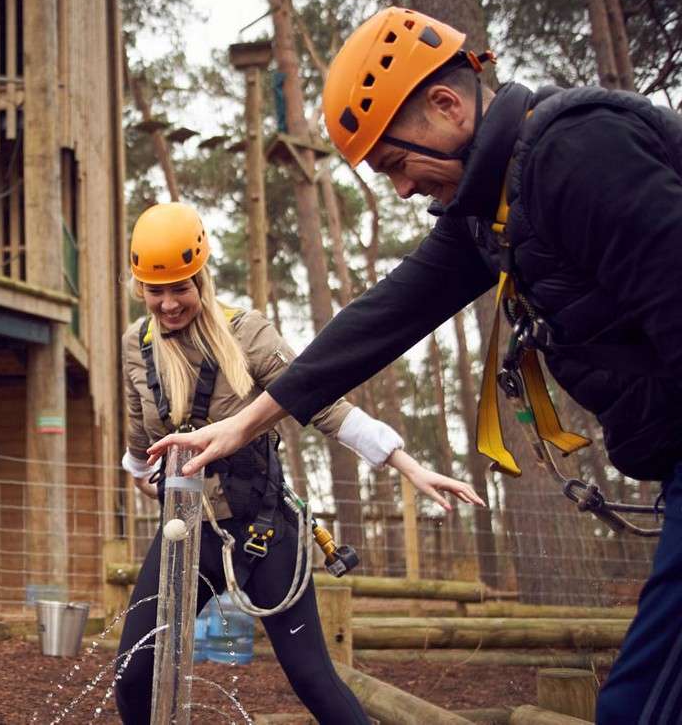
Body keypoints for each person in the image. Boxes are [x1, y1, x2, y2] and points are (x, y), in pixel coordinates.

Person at [148, 8, 682, 723]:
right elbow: (383, 317)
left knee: (641, 703)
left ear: (446, 104)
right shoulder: (491, 206)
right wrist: (246, 424)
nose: (399, 190)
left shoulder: (575, 152)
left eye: (398, 164)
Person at [115, 202, 482, 724]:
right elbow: (139, 421)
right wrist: (137, 473)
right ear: (140, 288)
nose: (170, 303)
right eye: (157, 291)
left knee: (312, 679)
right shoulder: (137, 343)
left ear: (202, 279)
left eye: (182, 288)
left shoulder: (247, 334)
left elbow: (321, 398)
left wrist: (407, 464)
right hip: (188, 532)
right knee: (133, 672)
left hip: (263, 532)